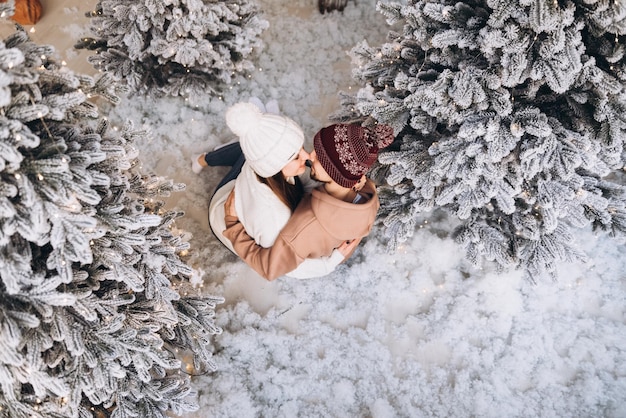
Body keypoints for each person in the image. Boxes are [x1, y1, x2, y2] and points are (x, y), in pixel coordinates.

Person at [222, 122, 395, 281]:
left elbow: (269, 268)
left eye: (319, 157)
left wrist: (233, 226)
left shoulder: (305, 225)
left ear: (335, 173)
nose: (310, 156)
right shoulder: (367, 194)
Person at [196, 99, 348, 277]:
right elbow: (286, 265)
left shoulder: (264, 165)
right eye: (295, 155)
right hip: (223, 216)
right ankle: (203, 159)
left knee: (248, 149)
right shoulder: (272, 217)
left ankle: (244, 138)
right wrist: (329, 263)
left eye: (301, 148)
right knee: (246, 151)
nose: (307, 155)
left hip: (237, 184)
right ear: (275, 165)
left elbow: (308, 179)